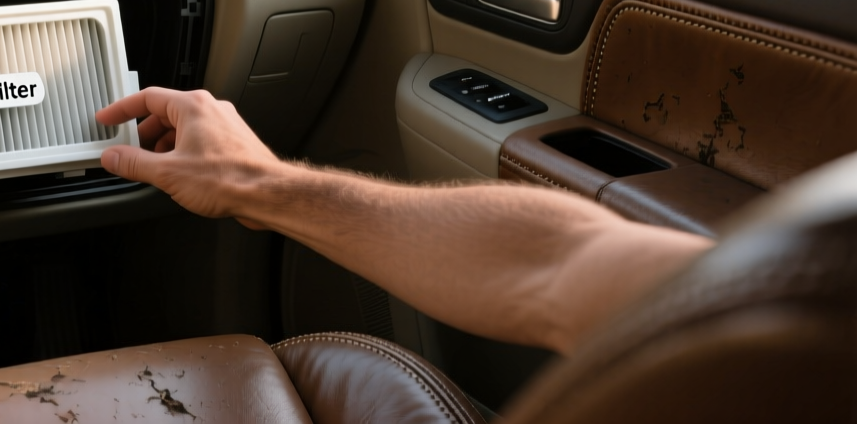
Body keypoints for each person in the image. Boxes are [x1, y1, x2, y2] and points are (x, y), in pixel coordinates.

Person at [94, 87, 714, 356]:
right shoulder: (786, 301)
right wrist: (261, 188)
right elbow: (553, 264)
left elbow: (555, 260)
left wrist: (261, 186)